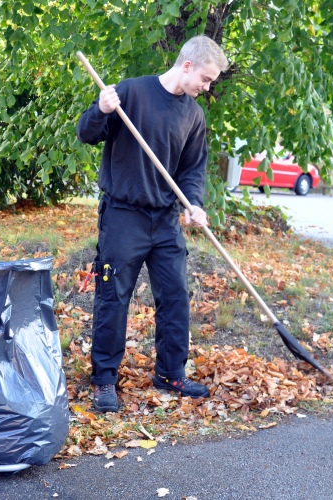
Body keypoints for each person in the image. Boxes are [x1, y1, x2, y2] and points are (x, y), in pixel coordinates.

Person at [76, 35, 228, 412]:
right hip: (123, 216)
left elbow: (193, 170)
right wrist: (101, 110)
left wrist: (194, 204)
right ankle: (104, 381)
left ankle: (170, 373)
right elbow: (86, 133)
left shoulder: (193, 115)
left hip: (164, 221)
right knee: (113, 298)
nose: (207, 88)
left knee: (175, 296)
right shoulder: (131, 93)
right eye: (206, 79)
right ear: (187, 65)